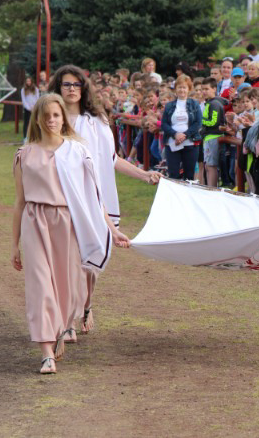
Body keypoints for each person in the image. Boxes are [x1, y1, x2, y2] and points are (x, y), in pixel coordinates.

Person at [11, 94, 130, 374]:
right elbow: (19, 202)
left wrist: (112, 230)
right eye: (46, 116)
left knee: (67, 287)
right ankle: (46, 353)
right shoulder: (24, 155)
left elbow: (93, 197)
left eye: (56, 115)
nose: (51, 120)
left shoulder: (77, 152)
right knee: (40, 285)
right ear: (37, 119)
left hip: (67, 222)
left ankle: (62, 328)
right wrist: (14, 245)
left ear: (63, 118)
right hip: (35, 221)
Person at [48, 65, 160, 332]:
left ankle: (86, 305)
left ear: (83, 88)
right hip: (60, 198)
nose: (72, 89)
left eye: (76, 84)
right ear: (58, 87)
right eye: (66, 84)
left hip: (94, 199)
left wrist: (144, 175)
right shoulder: (50, 118)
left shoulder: (96, 121)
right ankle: (68, 319)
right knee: (68, 260)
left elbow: (111, 159)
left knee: (91, 262)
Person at [161, 75, 202, 180]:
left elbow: (198, 123)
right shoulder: (169, 105)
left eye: (184, 87)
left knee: (189, 175)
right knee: (173, 174)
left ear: (189, 89)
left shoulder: (194, 104)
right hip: (172, 143)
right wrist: (175, 134)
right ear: (175, 89)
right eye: (179, 87)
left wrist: (184, 135)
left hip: (190, 142)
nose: (182, 90)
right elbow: (164, 124)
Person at [21, 77, 39, 141]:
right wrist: (28, 108)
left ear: (31, 82)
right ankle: (25, 138)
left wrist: (34, 107)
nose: (28, 82)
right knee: (26, 123)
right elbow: (24, 100)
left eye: (29, 81)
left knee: (35, 123)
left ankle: (36, 137)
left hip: (34, 108)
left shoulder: (36, 89)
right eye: (27, 81)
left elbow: (37, 98)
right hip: (27, 109)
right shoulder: (23, 90)